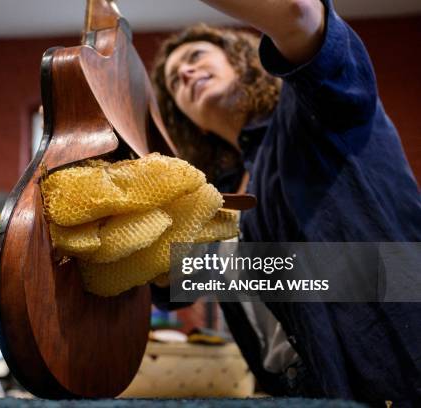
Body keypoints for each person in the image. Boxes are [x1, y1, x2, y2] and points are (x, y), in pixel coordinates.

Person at [149, 0, 421, 406]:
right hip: (297, 389)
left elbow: (298, 12)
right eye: (174, 81)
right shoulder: (217, 200)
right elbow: (177, 284)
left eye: (196, 56)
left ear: (243, 59)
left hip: (393, 364)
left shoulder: (316, 108)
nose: (184, 73)